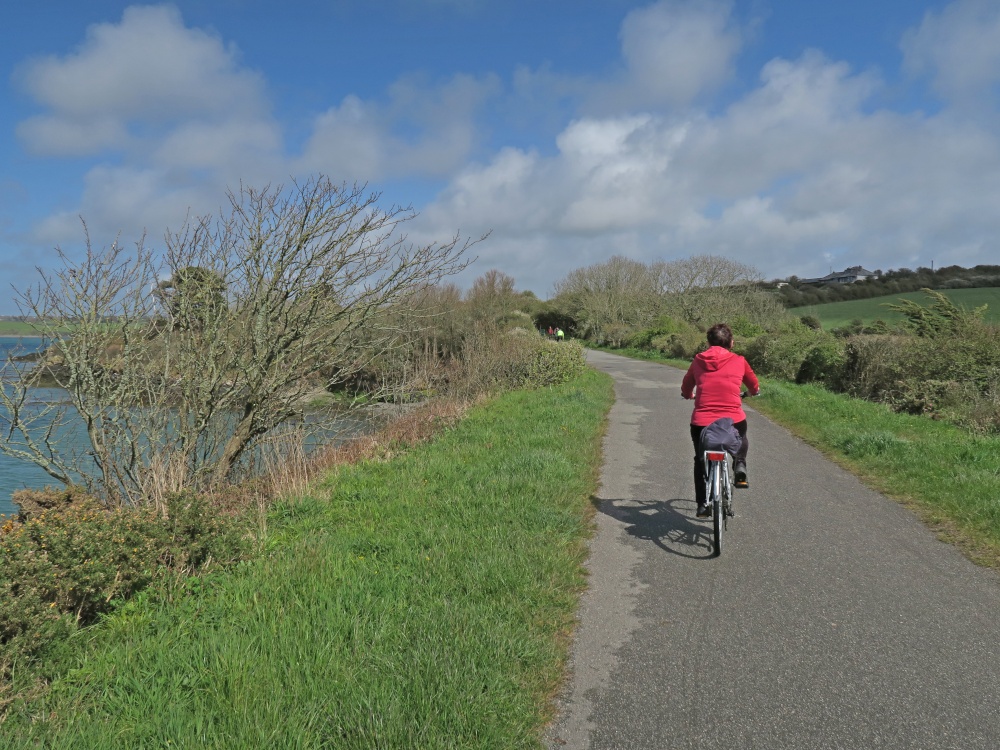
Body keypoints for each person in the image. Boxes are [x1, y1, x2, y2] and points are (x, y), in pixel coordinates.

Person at [681, 323, 760, 518]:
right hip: (732, 419)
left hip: (702, 422)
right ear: (731, 343)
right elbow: (754, 385)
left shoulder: (698, 360)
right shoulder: (739, 360)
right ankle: (739, 463)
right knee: (741, 435)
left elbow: (686, 385)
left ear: (708, 342)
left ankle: (702, 504)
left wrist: (688, 394)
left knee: (700, 461)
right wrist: (751, 392)